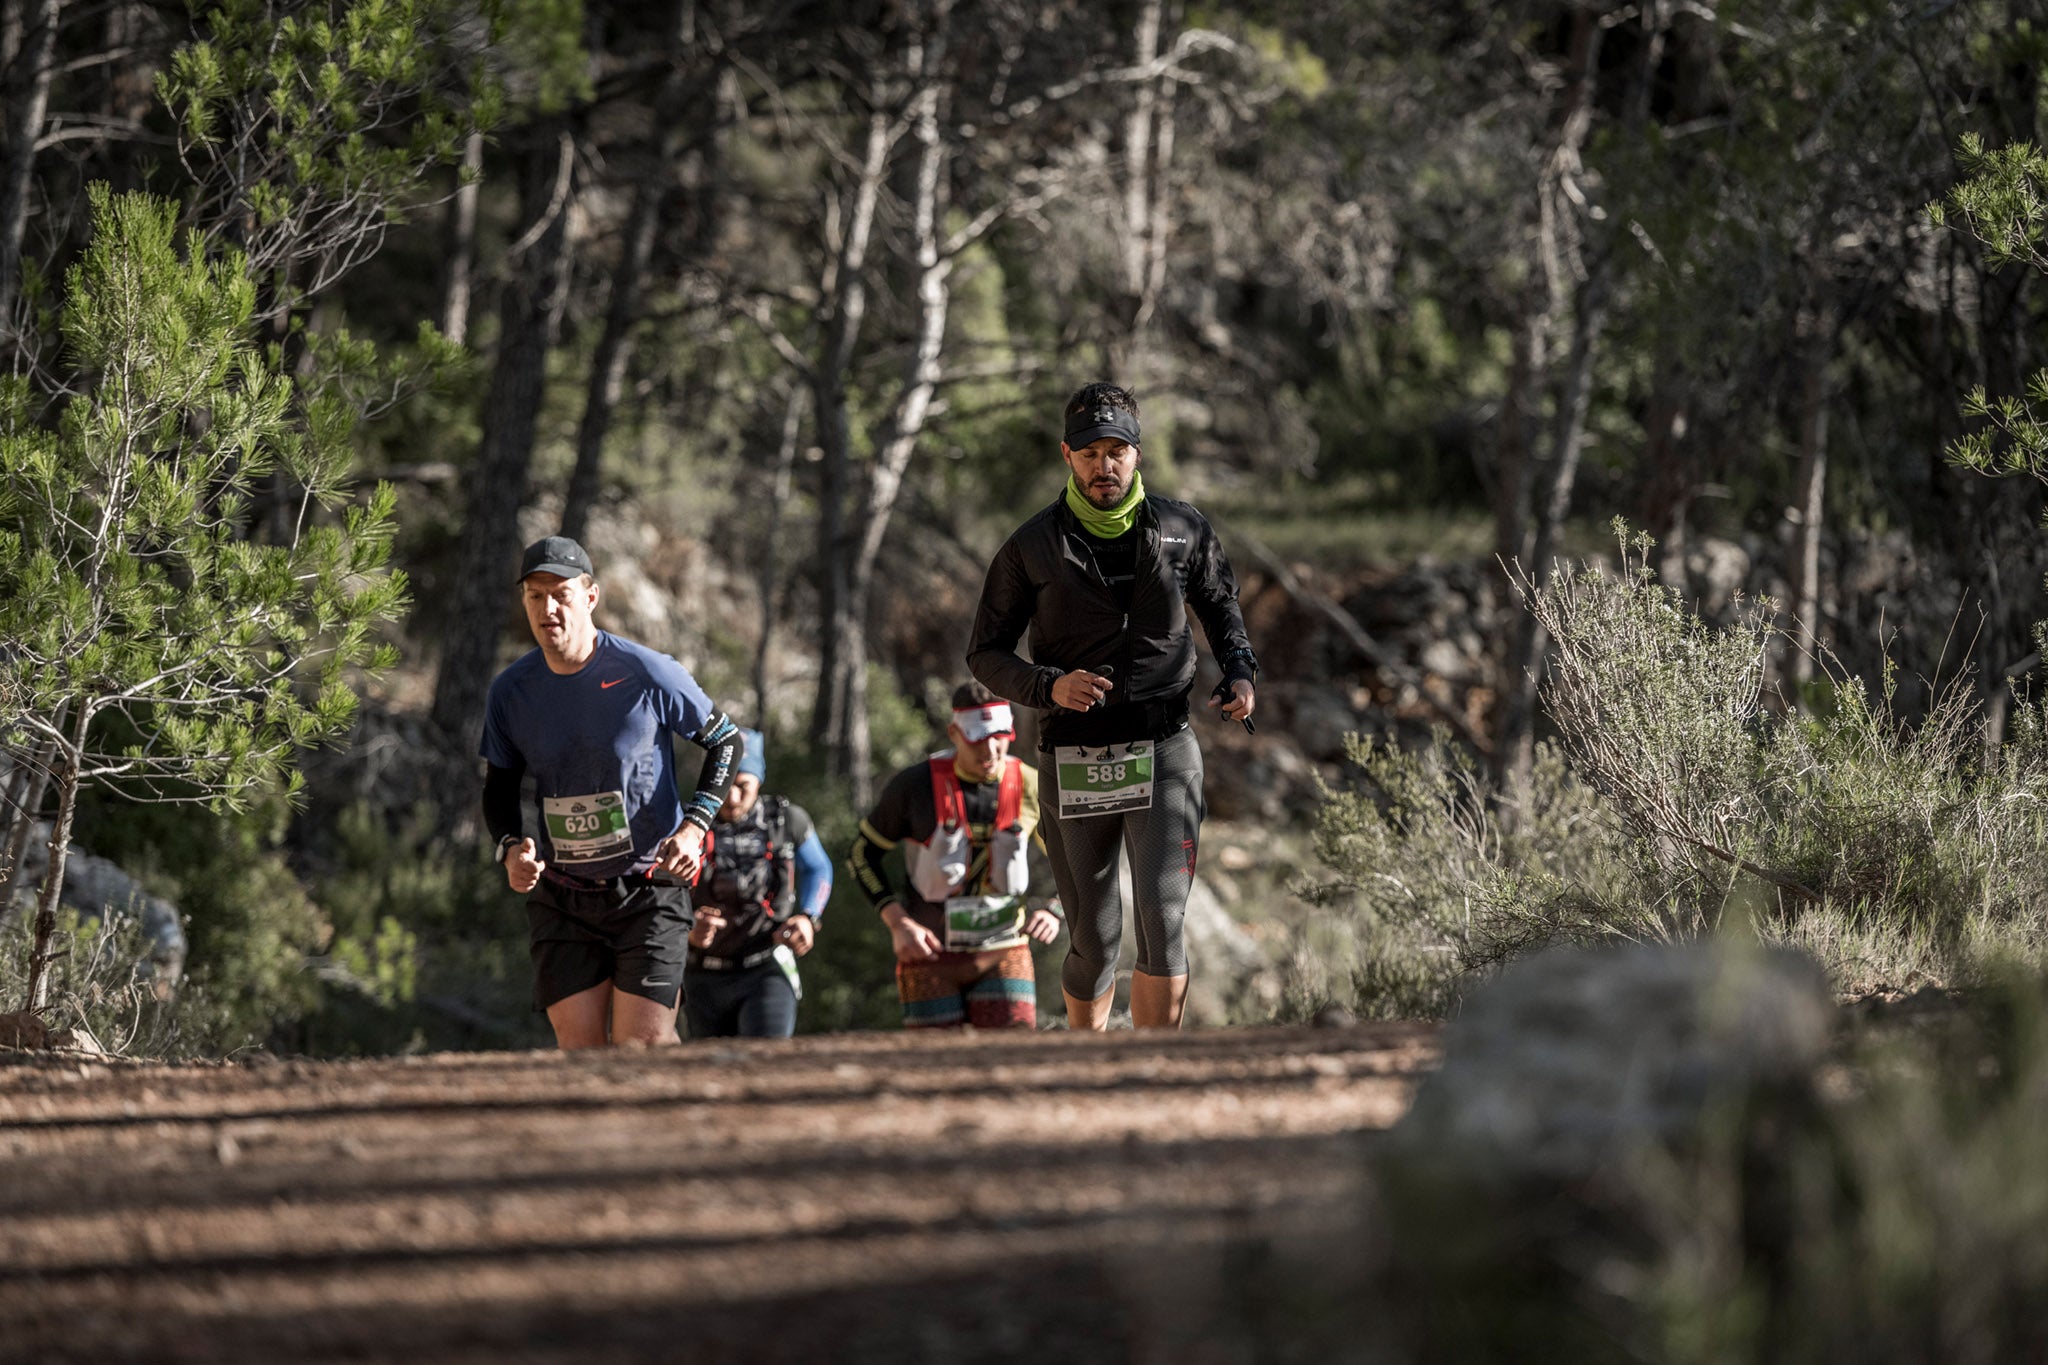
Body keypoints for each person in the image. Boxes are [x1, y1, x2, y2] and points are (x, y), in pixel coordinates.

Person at [966, 382, 1258, 1031]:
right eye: (1091, 453)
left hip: (1164, 746)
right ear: (1067, 456)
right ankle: (1085, 1054)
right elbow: (984, 653)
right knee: (1094, 937)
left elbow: (1220, 603)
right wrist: (1048, 686)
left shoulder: (1183, 529)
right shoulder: (1031, 546)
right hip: (1074, 754)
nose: (1105, 466)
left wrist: (1239, 670)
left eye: (1117, 451)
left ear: (1137, 454)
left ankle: (1154, 1071)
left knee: (1163, 915)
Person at [480, 534, 745, 1049]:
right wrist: (511, 848)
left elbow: (726, 742)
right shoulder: (511, 691)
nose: (548, 608)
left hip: (648, 889)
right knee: (580, 1054)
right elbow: (500, 787)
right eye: (535, 596)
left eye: (561, 594)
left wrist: (693, 829)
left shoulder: (647, 672)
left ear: (591, 597)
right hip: (563, 894)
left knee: (641, 1047)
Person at [847, 682, 1063, 1029]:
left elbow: (1078, 858)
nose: (990, 751)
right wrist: (898, 923)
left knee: (1011, 1059)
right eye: (977, 738)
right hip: (928, 953)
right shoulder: (913, 786)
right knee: (932, 1069)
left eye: (999, 736)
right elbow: (861, 854)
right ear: (954, 732)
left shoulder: (1030, 783)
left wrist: (1056, 908)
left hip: (1005, 949)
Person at [683, 729, 832, 1038]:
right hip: (702, 973)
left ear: (759, 781)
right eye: (723, 786)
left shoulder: (786, 819)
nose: (732, 798)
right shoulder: (687, 826)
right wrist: (687, 928)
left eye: (742, 786)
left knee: (768, 1058)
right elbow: (660, 891)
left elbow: (819, 868)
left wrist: (808, 917)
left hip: (767, 966)